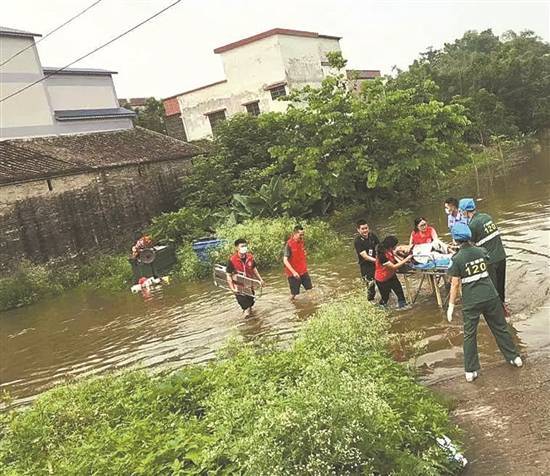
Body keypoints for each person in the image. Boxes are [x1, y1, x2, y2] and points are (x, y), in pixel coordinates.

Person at [446, 223, 522, 382]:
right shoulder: (481, 251)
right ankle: (514, 358)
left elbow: (454, 284)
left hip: (472, 301)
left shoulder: (456, 259)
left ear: (455, 239)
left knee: (469, 335)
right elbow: (483, 261)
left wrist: (451, 306)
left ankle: (471, 370)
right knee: (500, 328)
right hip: (491, 296)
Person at [459, 198, 508, 308]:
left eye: (462, 211)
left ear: (466, 211)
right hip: (501, 256)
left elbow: (470, 245)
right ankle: (503, 304)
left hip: (490, 260)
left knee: (492, 288)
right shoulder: (487, 217)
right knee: (500, 285)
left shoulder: (472, 225)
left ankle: (499, 311)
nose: (461, 213)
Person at [226, 238, 264, 318]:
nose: (244, 248)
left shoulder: (250, 257)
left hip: (249, 286)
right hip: (239, 288)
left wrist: (260, 279)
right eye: (242, 246)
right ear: (237, 248)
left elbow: (254, 269)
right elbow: (228, 275)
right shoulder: (232, 260)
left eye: (245, 246)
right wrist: (233, 289)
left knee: (250, 306)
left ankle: (252, 322)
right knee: (246, 308)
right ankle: (245, 325)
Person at [374, 236, 413, 308]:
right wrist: (407, 258)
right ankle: (380, 308)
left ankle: (403, 307)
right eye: (394, 246)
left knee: (400, 292)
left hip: (391, 275)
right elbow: (393, 266)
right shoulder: (382, 256)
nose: (395, 247)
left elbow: (394, 255)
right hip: (382, 280)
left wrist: (403, 260)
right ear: (390, 246)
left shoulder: (389, 250)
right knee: (385, 298)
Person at [283, 225, 312, 301]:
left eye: (303, 234)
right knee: (294, 295)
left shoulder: (302, 242)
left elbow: (301, 252)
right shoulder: (289, 244)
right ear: (294, 234)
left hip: (303, 271)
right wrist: (294, 272)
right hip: (293, 274)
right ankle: (289, 305)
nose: (302, 236)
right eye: (300, 235)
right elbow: (285, 260)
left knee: (310, 290)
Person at [354, 219, 380, 301]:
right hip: (366, 266)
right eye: (363, 229)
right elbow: (365, 256)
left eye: (366, 228)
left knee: (382, 282)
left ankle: (385, 298)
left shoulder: (372, 235)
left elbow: (379, 246)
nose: (365, 230)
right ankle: (371, 302)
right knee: (370, 287)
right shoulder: (357, 241)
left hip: (376, 263)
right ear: (358, 230)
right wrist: (377, 261)